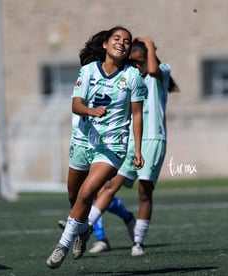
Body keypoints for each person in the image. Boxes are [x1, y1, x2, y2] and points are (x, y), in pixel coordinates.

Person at [46, 26, 146, 269]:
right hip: (83, 140)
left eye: (126, 40)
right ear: (105, 44)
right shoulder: (88, 70)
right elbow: (76, 104)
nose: (122, 43)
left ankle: (62, 245)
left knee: (86, 193)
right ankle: (84, 229)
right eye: (116, 38)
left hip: (112, 146)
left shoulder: (133, 76)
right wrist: (90, 111)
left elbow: (137, 114)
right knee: (74, 197)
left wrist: (138, 150)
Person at [87, 37, 179, 256]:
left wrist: (149, 45)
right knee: (108, 186)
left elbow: (154, 68)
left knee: (143, 192)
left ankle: (138, 242)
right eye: (133, 62)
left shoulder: (161, 73)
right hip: (131, 141)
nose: (137, 66)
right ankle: (85, 226)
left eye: (140, 62)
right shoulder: (130, 81)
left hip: (153, 140)